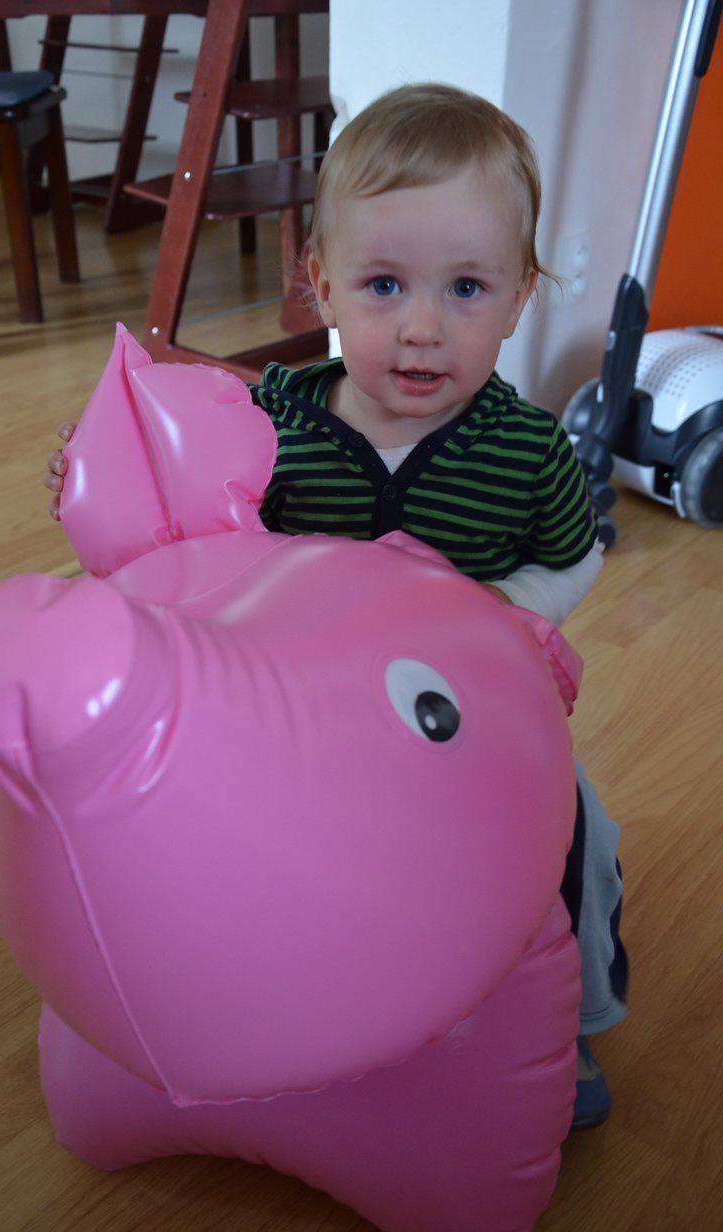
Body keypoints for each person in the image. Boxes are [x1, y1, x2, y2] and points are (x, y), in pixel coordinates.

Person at [44, 82, 626, 1129]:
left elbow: (574, 558)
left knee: (567, 826)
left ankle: (566, 1009)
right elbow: (199, 545)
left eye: (467, 288)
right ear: (320, 284)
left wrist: (500, 613)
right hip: (302, 722)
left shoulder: (528, 449)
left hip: (462, 730)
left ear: (519, 299)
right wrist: (106, 481)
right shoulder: (271, 424)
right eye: (384, 284)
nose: (421, 328)